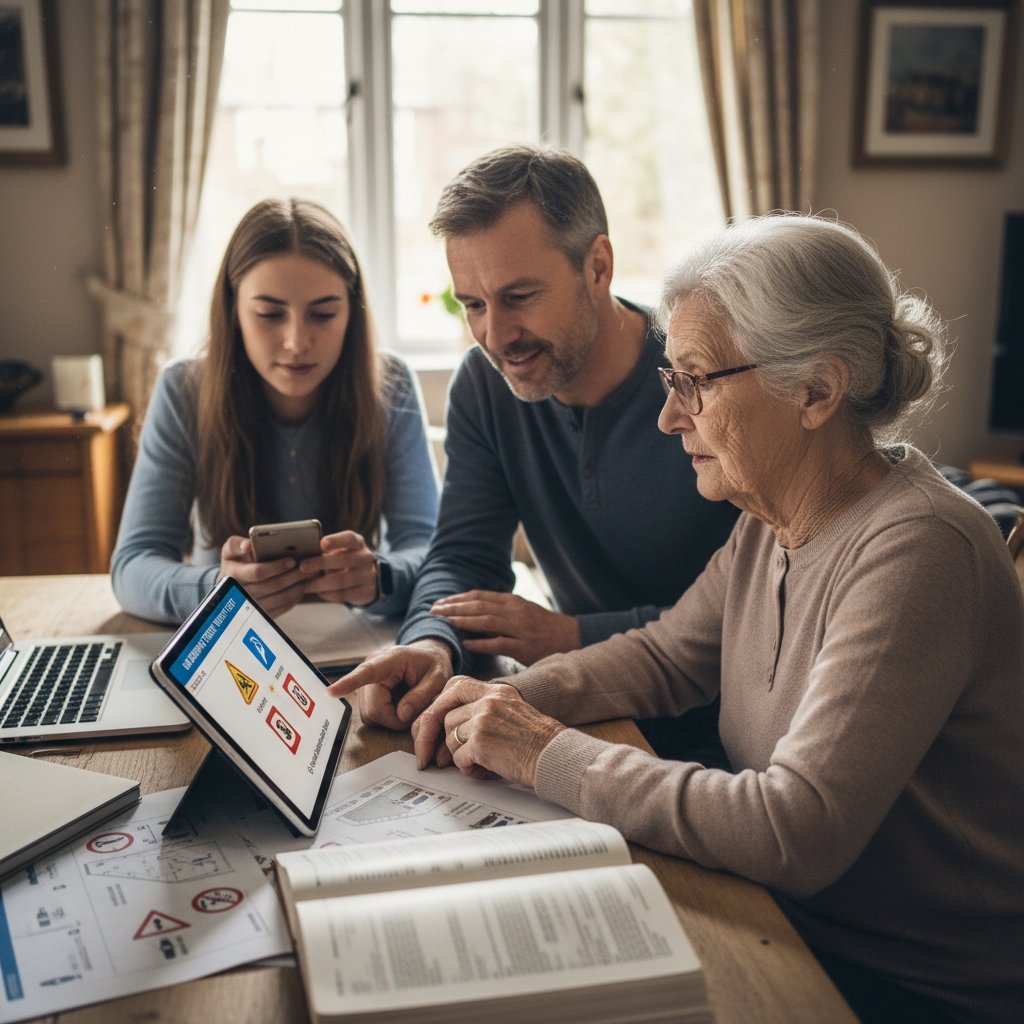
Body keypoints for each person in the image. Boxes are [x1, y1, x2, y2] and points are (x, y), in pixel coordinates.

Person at [406, 213, 1024, 1023]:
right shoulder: (772, 515)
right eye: (671, 379)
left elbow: (791, 829)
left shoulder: (918, 550)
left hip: (902, 984)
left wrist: (544, 751)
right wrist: (504, 704)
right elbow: (666, 658)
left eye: (695, 380)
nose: (669, 417)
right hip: (776, 921)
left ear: (816, 390)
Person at [331, 145, 738, 749]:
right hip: (586, 712)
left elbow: (760, 610)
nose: (496, 337)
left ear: (597, 266)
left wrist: (575, 635)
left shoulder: (705, 382)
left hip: (720, 723)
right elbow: (464, 556)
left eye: (519, 297)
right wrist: (428, 644)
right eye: (472, 304)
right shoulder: (484, 385)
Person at [111, 198, 439, 625]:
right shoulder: (183, 390)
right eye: (269, 314)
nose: (296, 342)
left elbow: (431, 548)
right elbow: (132, 565)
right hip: (225, 646)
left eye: (323, 314)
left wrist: (380, 578)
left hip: (355, 641)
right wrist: (216, 589)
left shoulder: (390, 384)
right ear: (233, 312)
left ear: (352, 314)